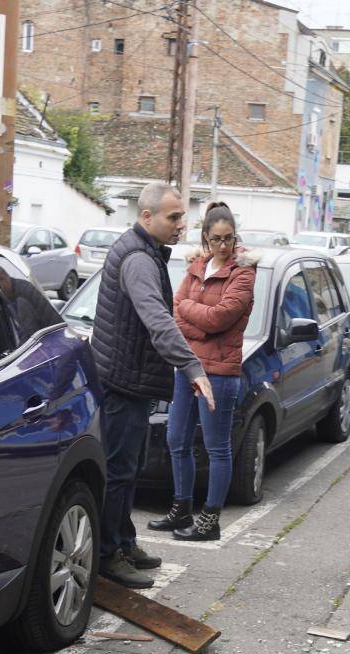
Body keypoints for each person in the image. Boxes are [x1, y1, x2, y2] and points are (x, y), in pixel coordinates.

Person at [90, 181, 215, 589]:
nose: (182, 224)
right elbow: (158, 321)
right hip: (122, 384)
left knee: (130, 469)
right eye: (174, 217)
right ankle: (109, 555)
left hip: (132, 382)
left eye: (182, 216)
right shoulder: (139, 260)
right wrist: (193, 368)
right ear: (147, 216)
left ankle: (125, 542)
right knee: (120, 472)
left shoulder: (144, 251)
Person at [148, 202, 255, 543]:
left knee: (216, 447)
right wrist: (200, 320)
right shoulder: (196, 267)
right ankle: (182, 506)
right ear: (206, 240)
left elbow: (218, 319)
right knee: (176, 439)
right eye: (217, 239)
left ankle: (210, 520)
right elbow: (175, 311)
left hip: (220, 374)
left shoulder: (243, 274)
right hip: (187, 367)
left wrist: (194, 317)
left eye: (229, 239)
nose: (224, 246)